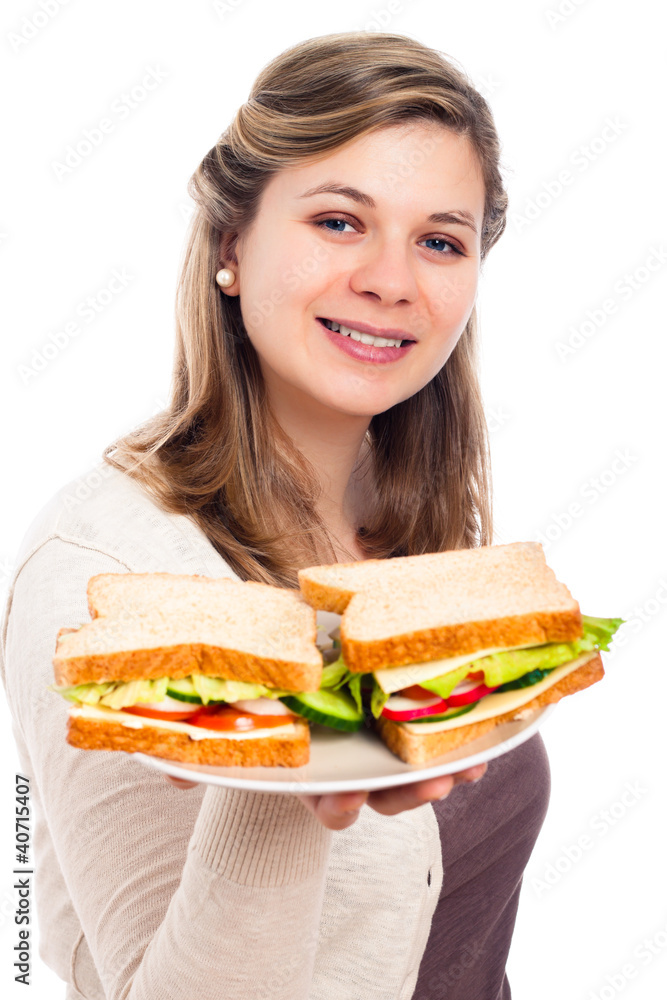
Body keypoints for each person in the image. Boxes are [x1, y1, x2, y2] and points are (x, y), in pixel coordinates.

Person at [0, 31, 550, 1000]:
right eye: (339, 221)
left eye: (439, 239)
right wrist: (285, 783)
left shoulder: (412, 527)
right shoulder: (104, 582)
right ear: (230, 246)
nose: (392, 277)